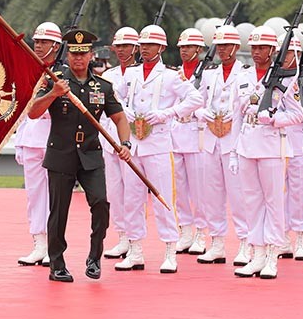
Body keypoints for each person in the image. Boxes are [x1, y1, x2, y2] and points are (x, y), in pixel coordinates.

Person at [28, 29, 131, 283]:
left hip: (91, 155)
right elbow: (32, 112)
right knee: (58, 212)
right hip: (61, 154)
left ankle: (94, 258)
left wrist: (125, 142)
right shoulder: (56, 80)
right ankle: (57, 264)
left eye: (83, 53)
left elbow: (119, 118)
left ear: (91, 55)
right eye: (74, 53)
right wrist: (53, 93)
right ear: (69, 55)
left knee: (100, 204)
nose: (78, 58)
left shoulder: (102, 86)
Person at [113, 24, 203, 274]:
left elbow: (196, 99)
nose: (145, 49)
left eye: (150, 44)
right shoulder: (130, 74)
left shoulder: (172, 76)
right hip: (133, 144)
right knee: (131, 199)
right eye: (142, 44)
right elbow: (114, 95)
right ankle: (135, 249)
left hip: (159, 144)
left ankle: (170, 250)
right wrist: (122, 110)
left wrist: (167, 113)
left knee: (163, 198)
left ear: (161, 47)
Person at [233, 26, 303, 279]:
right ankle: (257, 253)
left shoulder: (285, 80)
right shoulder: (242, 77)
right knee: (251, 202)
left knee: (274, 202)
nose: (256, 52)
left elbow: (298, 114)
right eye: (253, 47)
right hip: (246, 145)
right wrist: (233, 151)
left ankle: (273, 254)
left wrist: (274, 118)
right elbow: (235, 118)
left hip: (272, 146)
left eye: (262, 47)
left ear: (273, 50)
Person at [195, 25, 252, 266]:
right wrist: (201, 112)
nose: (222, 49)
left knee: (239, 195)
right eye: (219, 45)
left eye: (227, 45)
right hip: (211, 139)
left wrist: (236, 112)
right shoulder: (210, 74)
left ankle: (246, 242)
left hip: (234, 141)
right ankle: (217, 242)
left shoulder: (246, 74)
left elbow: (251, 103)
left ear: (236, 48)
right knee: (212, 195)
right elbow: (196, 99)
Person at [15, 22, 62, 266]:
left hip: (55, 139)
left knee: (56, 196)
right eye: (36, 41)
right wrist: (19, 143)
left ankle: (53, 244)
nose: (38, 45)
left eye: (43, 42)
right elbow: (22, 109)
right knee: (35, 195)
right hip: (32, 138)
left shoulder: (64, 72)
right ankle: (39, 243)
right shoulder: (29, 69)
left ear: (56, 45)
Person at [100, 26, 140, 260]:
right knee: (114, 192)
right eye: (119, 46)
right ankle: (122, 236)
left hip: (132, 140)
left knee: (133, 193)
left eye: (126, 46)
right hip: (109, 140)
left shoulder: (141, 74)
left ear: (136, 48)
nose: (122, 51)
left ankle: (135, 239)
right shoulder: (109, 75)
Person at [172, 28, 210, 255]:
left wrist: (197, 112)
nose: (184, 51)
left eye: (188, 47)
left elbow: (210, 104)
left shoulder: (207, 74)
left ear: (199, 49)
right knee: (179, 187)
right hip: (177, 133)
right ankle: (185, 229)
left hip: (198, 133)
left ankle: (200, 232)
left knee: (199, 189)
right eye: (182, 47)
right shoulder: (175, 74)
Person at [277, 34, 303, 261]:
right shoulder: (272, 78)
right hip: (277, 143)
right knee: (276, 194)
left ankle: (300, 239)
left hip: (300, 144)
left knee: (300, 195)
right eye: (286, 53)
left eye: (294, 53)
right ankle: (281, 238)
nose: (290, 57)